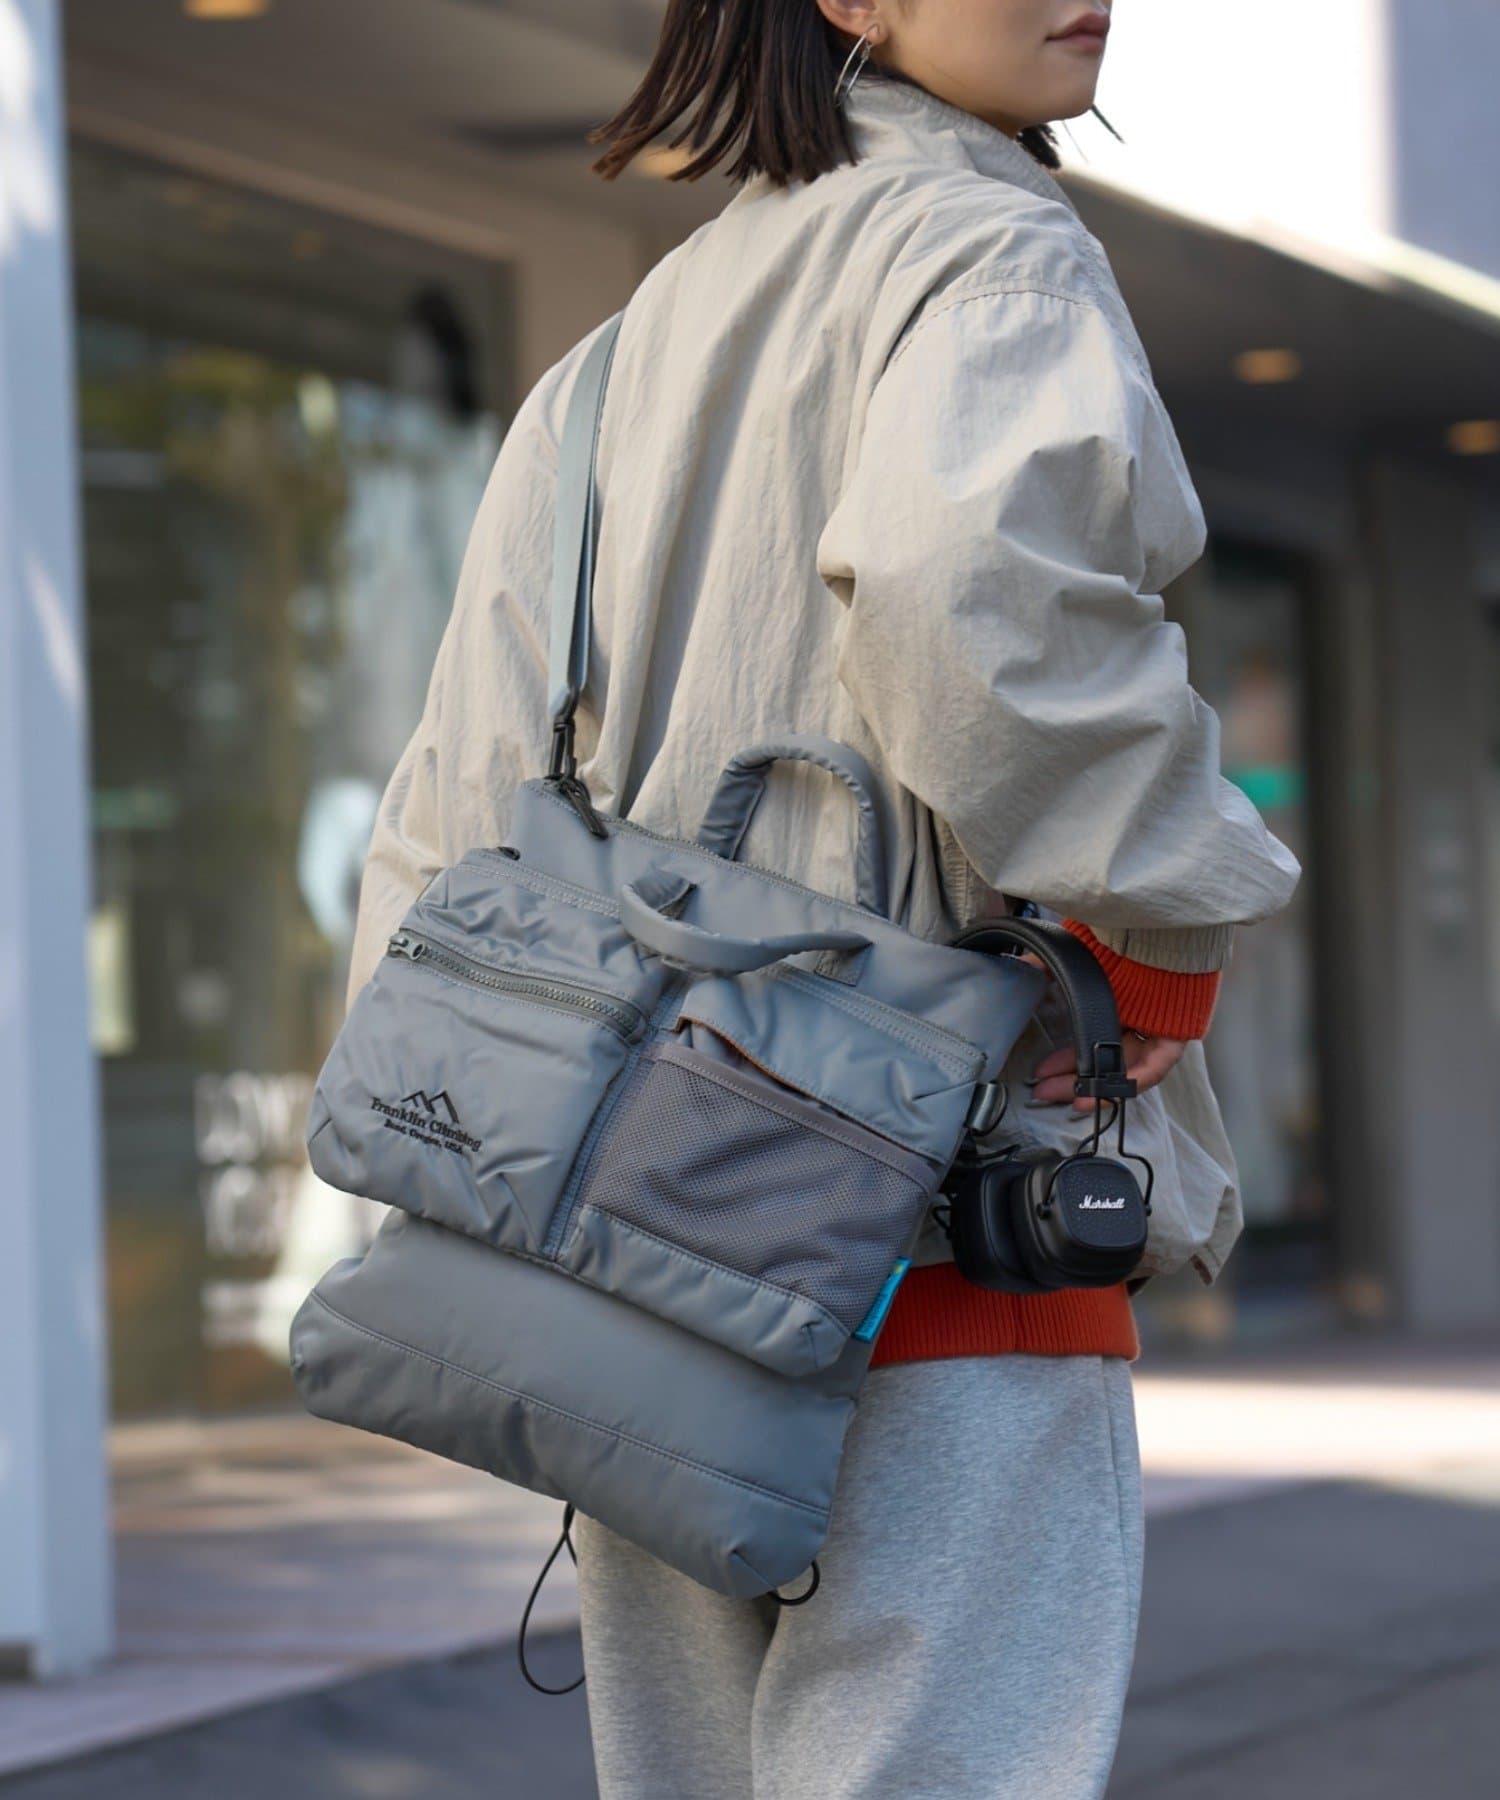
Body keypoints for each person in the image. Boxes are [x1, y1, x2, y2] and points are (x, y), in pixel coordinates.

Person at [345, 2, 1302, 1793]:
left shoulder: (617, 358)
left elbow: (454, 806)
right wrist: (1164, 935)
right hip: (936, 1228)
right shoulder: (991, 252)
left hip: (634, 1283)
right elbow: (975, 611)